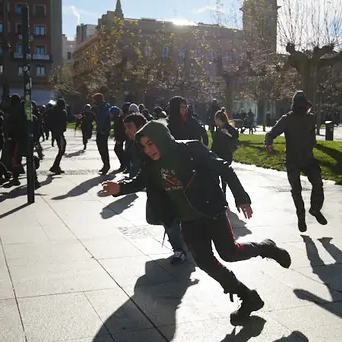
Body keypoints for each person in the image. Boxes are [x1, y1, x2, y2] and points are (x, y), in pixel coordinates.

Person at [101, 121, 292, 324]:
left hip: (210, 211)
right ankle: (247, 297)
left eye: (151, 143)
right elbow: (140, 181)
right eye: (145, 146)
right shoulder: (150, 164)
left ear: (162, 139)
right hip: (187, 220)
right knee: (205, 262)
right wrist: (120, 188)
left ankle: (266, 248)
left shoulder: (191, 149)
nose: (148, 150)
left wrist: (241, 196)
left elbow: (224, 168)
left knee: (229, 253)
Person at [123, 113, 187, 265]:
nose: (127, 131)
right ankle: (180, 247)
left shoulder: (158, 143)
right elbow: (141, 174)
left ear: (141, 128)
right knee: (168, 219)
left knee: (172, 220)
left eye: (130, 127)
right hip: (158, 191)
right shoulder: (136, 145)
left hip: (172, 188)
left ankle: (181, 249)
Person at [264, 91, 326, 233]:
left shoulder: (311, 118)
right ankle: (301, 216)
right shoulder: (287, 119)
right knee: (296, 190)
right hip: (293, 160)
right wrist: (268, 142)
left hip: (308, 159)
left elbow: (312, 136)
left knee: (318, 183)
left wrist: (312, 143)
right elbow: (271, 133)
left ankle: (315, 209)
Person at [212, 108, 240, 195]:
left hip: (226, 154)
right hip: (218, 154)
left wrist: (227, 133)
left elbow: (235, 136)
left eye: (215, 119)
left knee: (224, 175)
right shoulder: (218, 128)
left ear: (219, 119)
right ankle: (219, 192)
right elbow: (215, 143)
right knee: (217, 174)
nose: (215, 121)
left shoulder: (228, 128)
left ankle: (223, 192)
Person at [3, 94, 26, 186]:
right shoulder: (22, 109)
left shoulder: (13, 110)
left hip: (15, 137)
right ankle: (17, 174)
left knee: (15, 157)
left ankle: (16, 178)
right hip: (21, 136)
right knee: (17, 157)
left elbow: (8, 123)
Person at [92, 93, 114, 175]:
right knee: (101, 149)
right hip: (100, 130)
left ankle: (106, 166)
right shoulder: (99, 107)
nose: (93, 101)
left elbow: (104, 119)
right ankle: (105, 165)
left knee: (103, 148)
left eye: (94, 99)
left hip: (103, 131)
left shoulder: (104, 108)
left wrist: (102, 130)